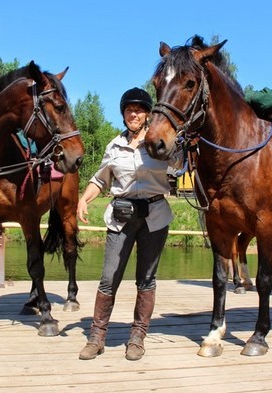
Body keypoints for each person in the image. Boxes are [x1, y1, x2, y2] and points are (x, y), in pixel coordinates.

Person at [77, 87, 182, 361]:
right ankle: (97, 337)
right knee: (109, 278)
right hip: (121, 217)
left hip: (155, 216)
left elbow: (182, 164)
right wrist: (83, 199)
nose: (133, 114)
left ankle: (137, 337)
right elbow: (100, 179)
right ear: (123, 114)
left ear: (147, 114)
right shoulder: (114, 146)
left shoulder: (160, 142)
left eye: (138, 110)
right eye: (128, 110)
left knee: (146, 279)